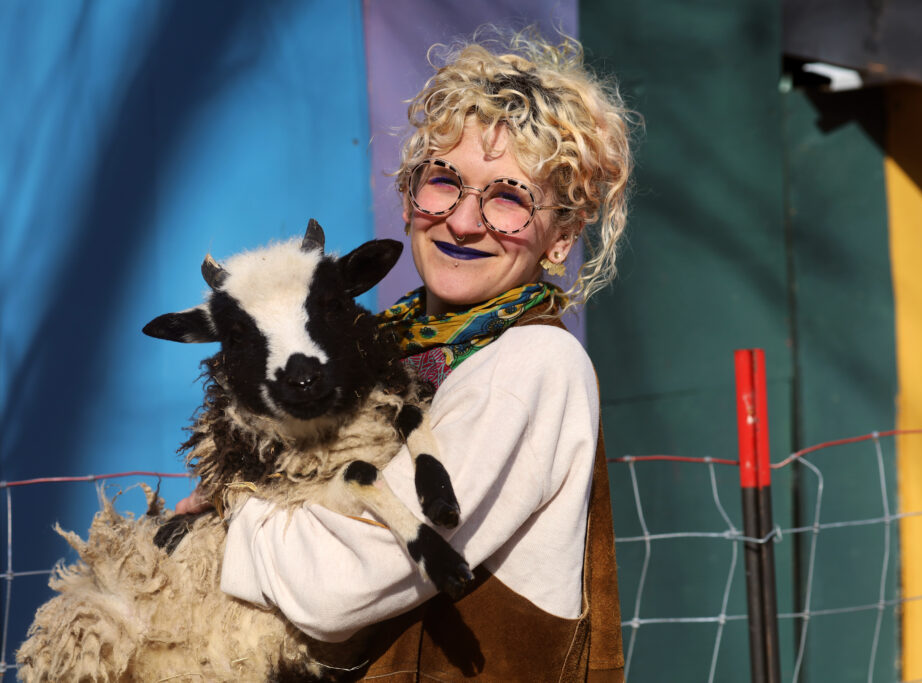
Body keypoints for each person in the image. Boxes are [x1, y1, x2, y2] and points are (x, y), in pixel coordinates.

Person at [187, 28, 635, 681]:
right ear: (408, 196)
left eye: (508, 198)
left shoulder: (532, 363)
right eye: (443, 182)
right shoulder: (384, 359)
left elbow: (338, 584)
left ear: (562, 236)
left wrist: (234, 511)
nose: (461, 220)